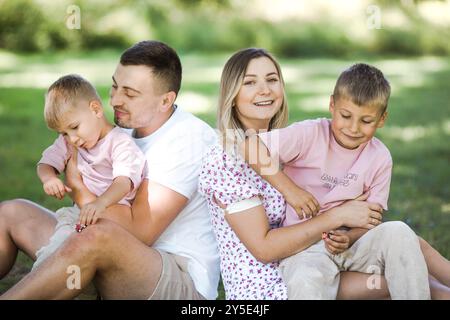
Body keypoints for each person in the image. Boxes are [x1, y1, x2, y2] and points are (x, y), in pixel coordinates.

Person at [198, 48, 450, 300]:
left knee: (404, 243)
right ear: (232, 94)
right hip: (272, 285)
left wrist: (348, 234)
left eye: (272, 79)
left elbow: (370, 219)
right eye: (250, 82)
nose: (265, 89)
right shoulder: (225, 157)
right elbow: (265, 249)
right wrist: (322, 207)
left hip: (327, 251)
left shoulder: (286, 146)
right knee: (407, 276)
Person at [0, 40, 220, 300]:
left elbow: (139, 233)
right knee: (12, 212)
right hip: (106, 257)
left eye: (130, 93)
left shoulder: (189, 139)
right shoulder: (120, 130)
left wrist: (79, 189)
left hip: (174, 279)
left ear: (165, 101)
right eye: (115, 86)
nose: (114, 99)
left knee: (96, 236)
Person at [242, 63, 429, 299]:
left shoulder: (380, 158)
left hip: (354, 246)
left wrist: (349, 237)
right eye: (346, 116)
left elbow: (371, 218)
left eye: (366, 120)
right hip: (305, 248)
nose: (353, 128)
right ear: (332, 105)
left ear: (382, 119)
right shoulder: (310, 134)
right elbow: (249, 146)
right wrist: (290, 190)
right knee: (305, 281)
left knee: (400, 232)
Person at [33, 74, 147, 269]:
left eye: (74, 127)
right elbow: (45, 164)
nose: (72, 139)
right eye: (64, 134)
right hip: (79, 216)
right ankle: (46, 284)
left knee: (74, 257)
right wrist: (49, 178)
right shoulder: (70, 142)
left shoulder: (120, 143)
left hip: (112, 220)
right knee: (54, 255)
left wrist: (100, 203)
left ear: (95, 109)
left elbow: (123, 182)